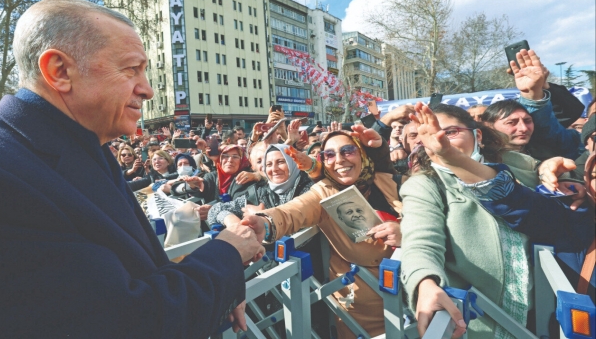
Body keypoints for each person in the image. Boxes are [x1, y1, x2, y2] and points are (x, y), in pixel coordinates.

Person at [0, 0, 264, 337]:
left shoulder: (82, 144)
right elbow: (124, 321)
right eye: (131, 69)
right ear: (59, 71)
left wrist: (221, 287)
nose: (146, 89)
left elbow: (134, 271)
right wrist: (228, 255)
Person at [402, 102, 594, 337]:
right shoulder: (424, 185)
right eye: (429, 134)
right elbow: (420, 242)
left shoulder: (519, 165)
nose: (439, 140)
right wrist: (425, 283)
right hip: (481, 322)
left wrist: (562, 174)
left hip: (546, 317)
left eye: (449, 132)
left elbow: (572, 175)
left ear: (477, 135)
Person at [237, 126, 403, 338]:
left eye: (348, 151)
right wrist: (265, 222)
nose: (340, 160)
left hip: (415, 298)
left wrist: (406, 232)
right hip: (361, 306)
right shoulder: (324, 191)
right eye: (329, 154)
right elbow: (292, 212)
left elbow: (433, 221)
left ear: (362, 154)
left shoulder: (390, 181)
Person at [207, 144, 314, 227]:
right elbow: (215, 210)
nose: (274, 169)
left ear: (293, 163)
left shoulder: (308, 188)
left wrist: (263, 216)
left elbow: (301, 225)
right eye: (269, 164)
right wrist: (232, 221)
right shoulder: (261, 192)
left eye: (281, 162)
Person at [182, 144, 258, 203]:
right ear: (220, 160)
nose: (230, 160)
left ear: (242, 161)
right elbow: (203, 188)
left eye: (235, 157)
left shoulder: (248, 177)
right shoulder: (212, 177)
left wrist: (258, 176)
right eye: (225, 156)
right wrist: (193, 185)